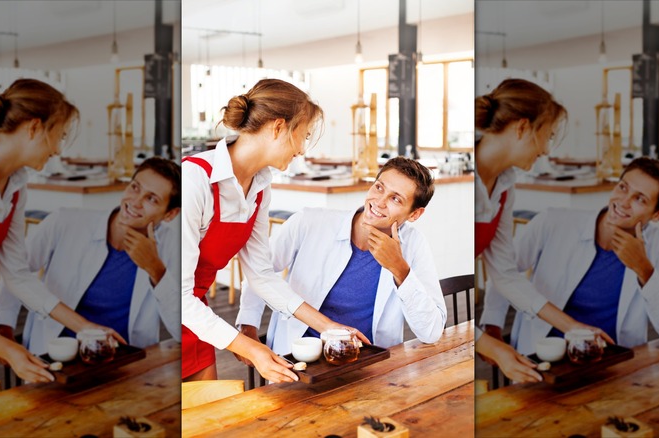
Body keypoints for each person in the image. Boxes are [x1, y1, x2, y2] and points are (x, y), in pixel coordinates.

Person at [182, 78, 369, 383]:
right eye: (302, 136)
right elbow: (177, 295)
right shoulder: (194, 180)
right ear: (279, 127)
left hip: (196, 315)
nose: (302, 149)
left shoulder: (259, 186)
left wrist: (329, 327)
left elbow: (261, 274)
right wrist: (251, 348)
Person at [0, 79, 123, 383]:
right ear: (35, 127)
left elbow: (17, 275)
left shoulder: (15, 186)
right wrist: (8, 349)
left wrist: (85, 327)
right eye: (59, 135)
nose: (58, 149)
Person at [235, 157, 446, 354]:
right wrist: (248, 325)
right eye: (379, 187)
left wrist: (399, 269)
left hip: (369, 364)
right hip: (300, 357)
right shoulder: (309, 222)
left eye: (395, 199)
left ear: (415, 214)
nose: (379, 202)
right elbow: (260, 270)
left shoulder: (414, 245)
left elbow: (431, 332)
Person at [481, 158, 659, 355]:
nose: (624, 202)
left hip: (612, 364)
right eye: (623, 187)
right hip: (543, 358)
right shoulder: (553, 222)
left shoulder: (657, 246)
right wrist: (492, 324)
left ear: (658, 214)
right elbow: (504, 270)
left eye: (640, 199)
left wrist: (644, 269)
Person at [475, 78, 614, 348]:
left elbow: (505, 274)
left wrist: (572, 327)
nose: (546, 150)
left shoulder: (504, 186)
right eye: (548, 136)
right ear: (522, 128)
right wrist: (486, 344)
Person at [0, 157, 181, 355]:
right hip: (56, 357)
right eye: (135, 187)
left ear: (170, 214)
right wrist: (4, 323)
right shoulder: (64, 222)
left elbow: (183, 332)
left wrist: (156, 270)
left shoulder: (173, 248)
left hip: (127, 362)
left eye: (152, 199)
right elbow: (16, 270)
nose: (136, 202)